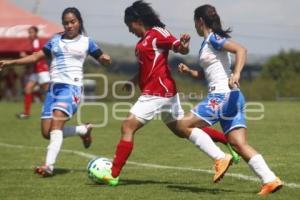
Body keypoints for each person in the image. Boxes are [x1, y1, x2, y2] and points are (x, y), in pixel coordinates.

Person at [90, 0, 235, 186]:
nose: (129, 30)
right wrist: (133, 81)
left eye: (129, 25)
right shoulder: (143, 41)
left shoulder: (157, 33)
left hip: (157, 91)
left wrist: (183, 45)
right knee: (183, 129)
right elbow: (147, 67)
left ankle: (113, 173)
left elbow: (179, 47)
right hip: (163, 91)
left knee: (127, 127)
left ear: (137, 20)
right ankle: (229, 144)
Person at [176, 4, 282, 196]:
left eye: (195, 23)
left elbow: (241, 50)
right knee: (238, 144)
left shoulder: (214, 38)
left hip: (222, 96)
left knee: (182, 125)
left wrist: (237, 73)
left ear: (200, 22)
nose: (195, 27)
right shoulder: (207, 43)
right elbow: (210, 72)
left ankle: (219, 158)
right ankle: (270, 180)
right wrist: (190, 72)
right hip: (233, 96)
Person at [0, 7, 111, 177]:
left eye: (72, 22)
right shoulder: (55, 40)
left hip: (71, 88)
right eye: (66, 23)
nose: (69, 25)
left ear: (79, 22)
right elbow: (36, 56)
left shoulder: (86, 42)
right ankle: (83, 130)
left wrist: (105, 59)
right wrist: (11, 62)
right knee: (47, 133)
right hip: (53, 90)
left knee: (56, 125)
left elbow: (101, 57)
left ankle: (48, 166)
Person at [17, 26, 50, 119]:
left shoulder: (36, 42)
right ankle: (26, 114)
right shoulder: (33, 43)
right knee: (28, 89)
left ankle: (54, 110)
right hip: (36, 71)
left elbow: (36, 57)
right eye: (29, 32)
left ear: (36, 33)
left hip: (42, 70)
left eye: (31, 32)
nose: (29, 34)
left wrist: (25, 56)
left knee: (48, 92)